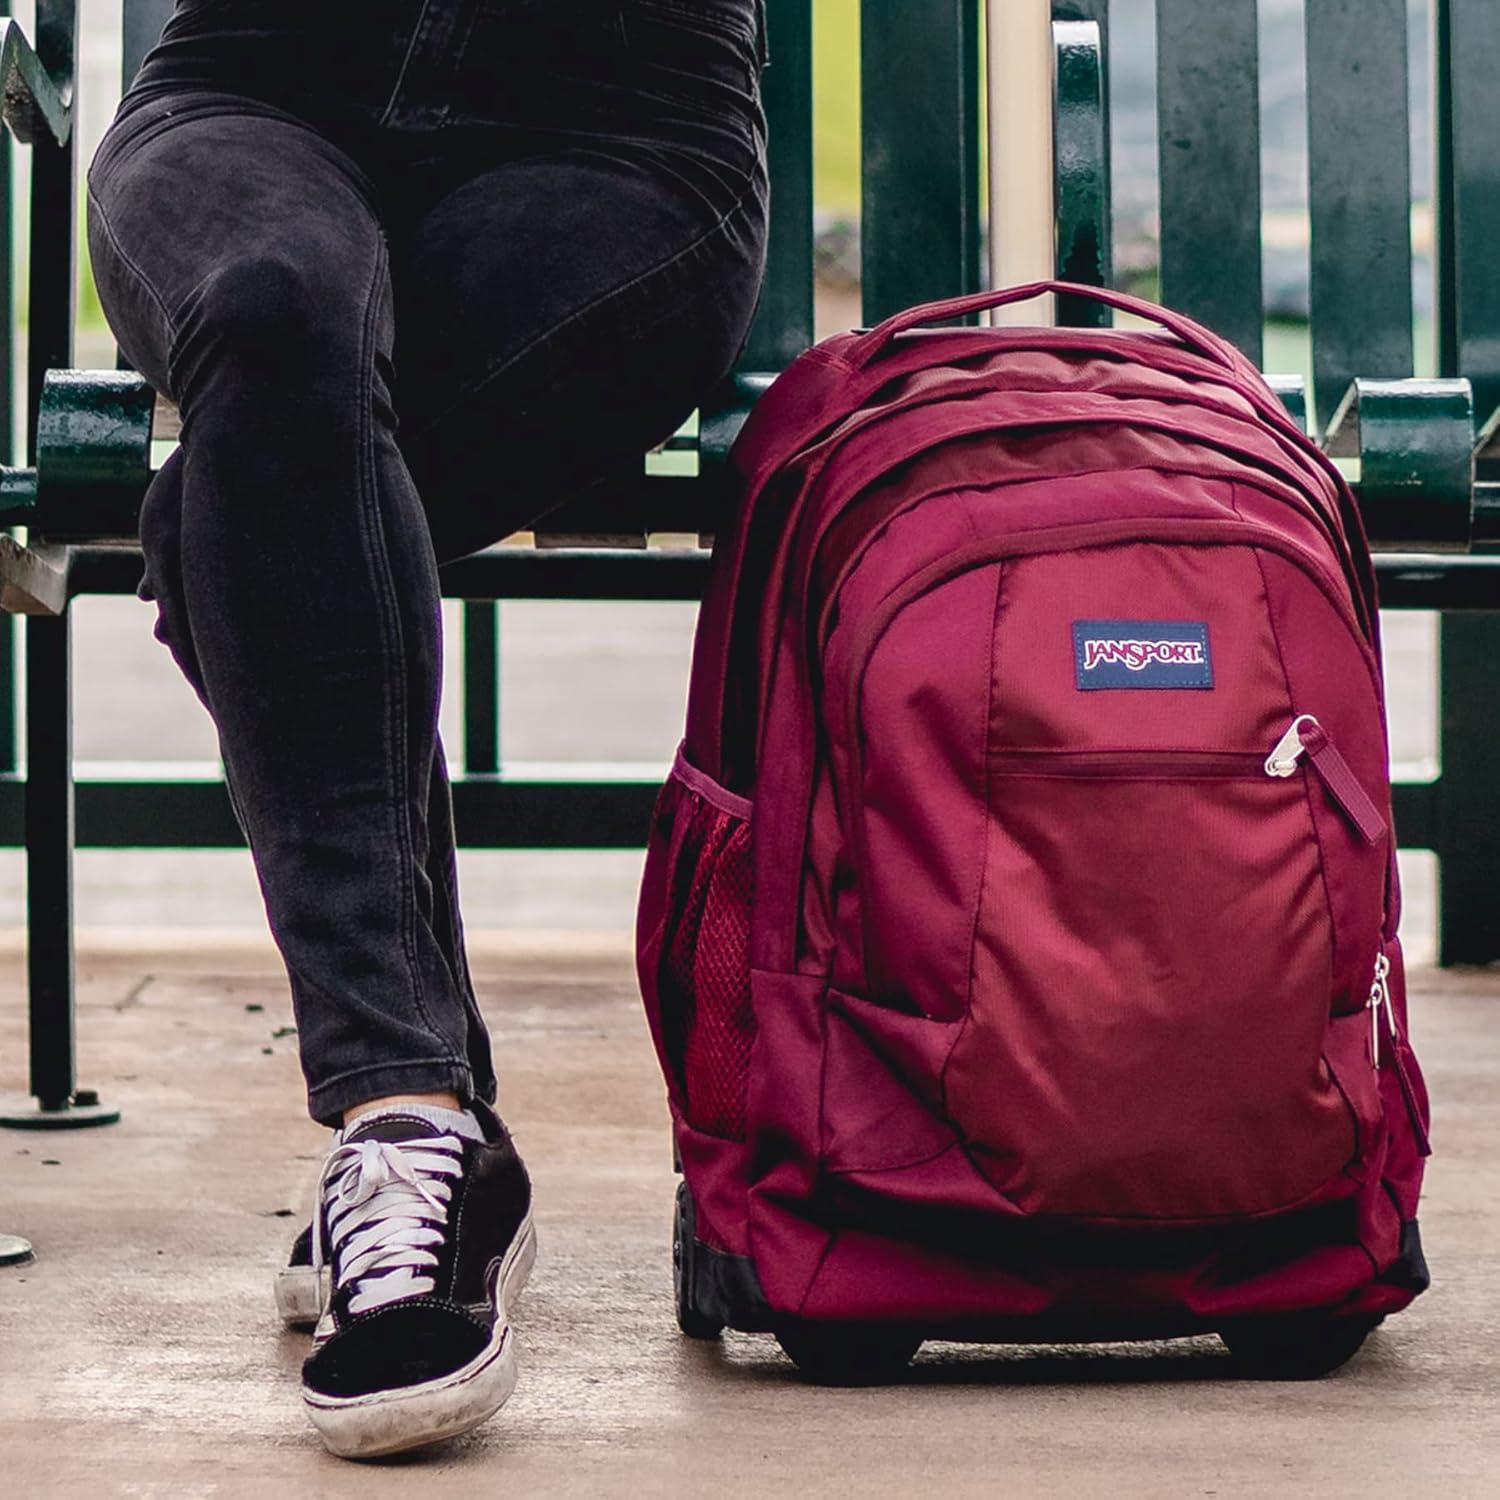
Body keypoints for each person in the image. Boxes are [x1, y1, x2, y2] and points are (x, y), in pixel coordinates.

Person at [86, 0, 768, 1460]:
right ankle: (413, 1108)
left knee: (233, 500)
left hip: (616, 128)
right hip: (258, 85)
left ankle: (409, 1129)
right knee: (269, 311)